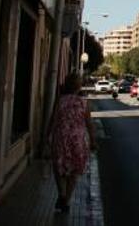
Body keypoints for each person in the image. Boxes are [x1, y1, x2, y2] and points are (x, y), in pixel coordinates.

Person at [48, 73, 97, 213]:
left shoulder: (60, 100)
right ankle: (67, 201)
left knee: (58, 167)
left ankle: (61, 195)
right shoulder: (84, 103)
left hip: (61, 137)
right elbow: (89, 124)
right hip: (77, 140)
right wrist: (93, 141)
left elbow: (53, 119)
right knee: (74, 171)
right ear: (78, 86)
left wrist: (46, 136)